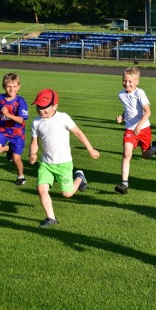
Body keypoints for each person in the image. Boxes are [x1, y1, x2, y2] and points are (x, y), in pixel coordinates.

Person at [29, 89, 100, 227]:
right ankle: (51, 218)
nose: (40, 110)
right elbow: (34, 142)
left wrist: (90, 149)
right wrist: (33, 154)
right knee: (42, 189)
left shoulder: (63, 118)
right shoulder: (36, 122)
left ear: (54, 106)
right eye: (38, 106)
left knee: (67, 194)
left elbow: (78, 133)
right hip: (46, 164)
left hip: (63, 164)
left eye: (44, 107)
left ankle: (79, 177)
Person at [116, 67, 156, 195]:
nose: (127, 84)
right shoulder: (121, 94)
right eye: (125, 81)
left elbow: (148, 112)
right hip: (130, 130)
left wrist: (138, 126)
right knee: (127, 154)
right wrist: (122, 117)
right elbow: (128, 109)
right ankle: (124, 184)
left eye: (130, 81)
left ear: (137, 82)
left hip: (144, 129)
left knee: (146, 155)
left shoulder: (140, 93)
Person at [0, 72, 29, 185]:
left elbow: (21, 120)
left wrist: (8, 115)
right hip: (2, 130)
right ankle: (7, 149)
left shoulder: (21, 101)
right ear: (4, 86)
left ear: (19, 86)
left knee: (16, 159)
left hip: (17, 132)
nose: (12, 89)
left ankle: (20, 177)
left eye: (14, 86)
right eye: (9, 86)